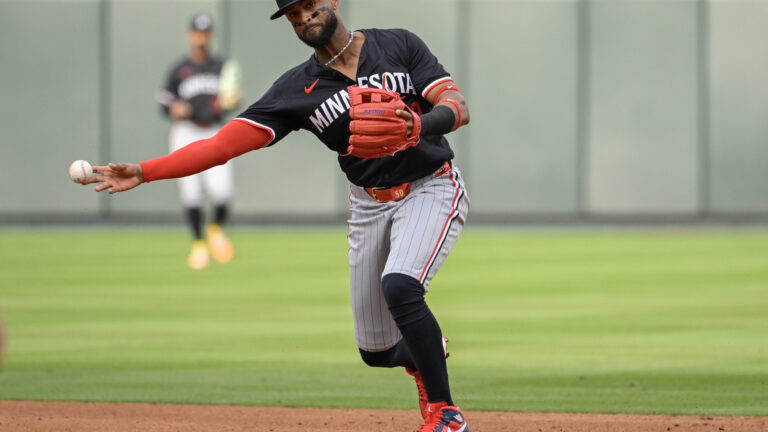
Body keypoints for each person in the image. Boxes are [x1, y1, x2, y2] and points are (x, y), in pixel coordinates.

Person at [88, 1, 471, 430]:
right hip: (369, 203)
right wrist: (144, 171)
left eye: (310, 5)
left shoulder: (398, 44)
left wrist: (419, 125)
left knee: (400, 286)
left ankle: (446, 414)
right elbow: (221, 146)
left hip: (429, 185)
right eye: (293, 14)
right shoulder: (297, 90)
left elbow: (456, 105)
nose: (304, 17)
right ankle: (425, 353)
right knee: (376, 351)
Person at [155, 12, 238, 270]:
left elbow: (233, 96)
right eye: (197, 32)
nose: (201, 38)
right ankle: (199, 244)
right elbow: (164, 101)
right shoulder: (179, 69)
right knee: (191, 194)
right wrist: (173, 109)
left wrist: (234, 99)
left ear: (210, 35)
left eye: (205, 33)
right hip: (186, 132)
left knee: (223, 193)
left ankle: (214, 229)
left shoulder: (222, 66)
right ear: (190, 35)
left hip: (214, 130)